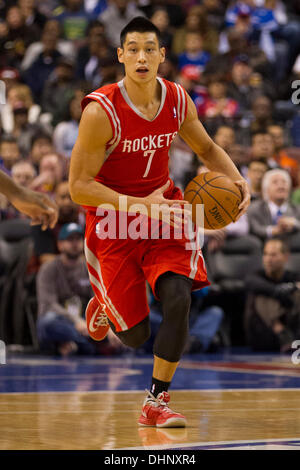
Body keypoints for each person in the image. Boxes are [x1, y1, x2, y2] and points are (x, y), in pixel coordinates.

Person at [69, 16, 250, 428]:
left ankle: (156, 401)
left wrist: (239, 181)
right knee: (133, 336)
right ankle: (102, 305)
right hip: (114, 223)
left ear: (162, 55)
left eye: (150, 48)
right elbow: (78, 188)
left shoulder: (176, 98)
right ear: (120, 56)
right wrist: (138, 206)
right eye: (132, 48)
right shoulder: (101, 111)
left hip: (165, 211)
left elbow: (205, 147)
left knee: (179, 297)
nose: (141, 56)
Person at [244, 237, 300, 352]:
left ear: (285, 256)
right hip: (263, 335)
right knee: (262, 294)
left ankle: (287, 335)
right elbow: (251, 283)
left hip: (292, 331)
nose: (268, 259)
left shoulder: (292, 276)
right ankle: (281, 332)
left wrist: (292, 289)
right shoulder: (256, 276)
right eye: (266, 254)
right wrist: (282, 290)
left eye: (273, 255)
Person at [247, 168, 300, 241]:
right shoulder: (255, 208)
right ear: (266, 189)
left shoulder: (297, 209)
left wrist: (294, 223)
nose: (281, 186)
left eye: (284, 182)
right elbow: (253, 228)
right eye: (275, 182)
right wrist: (273, 230)